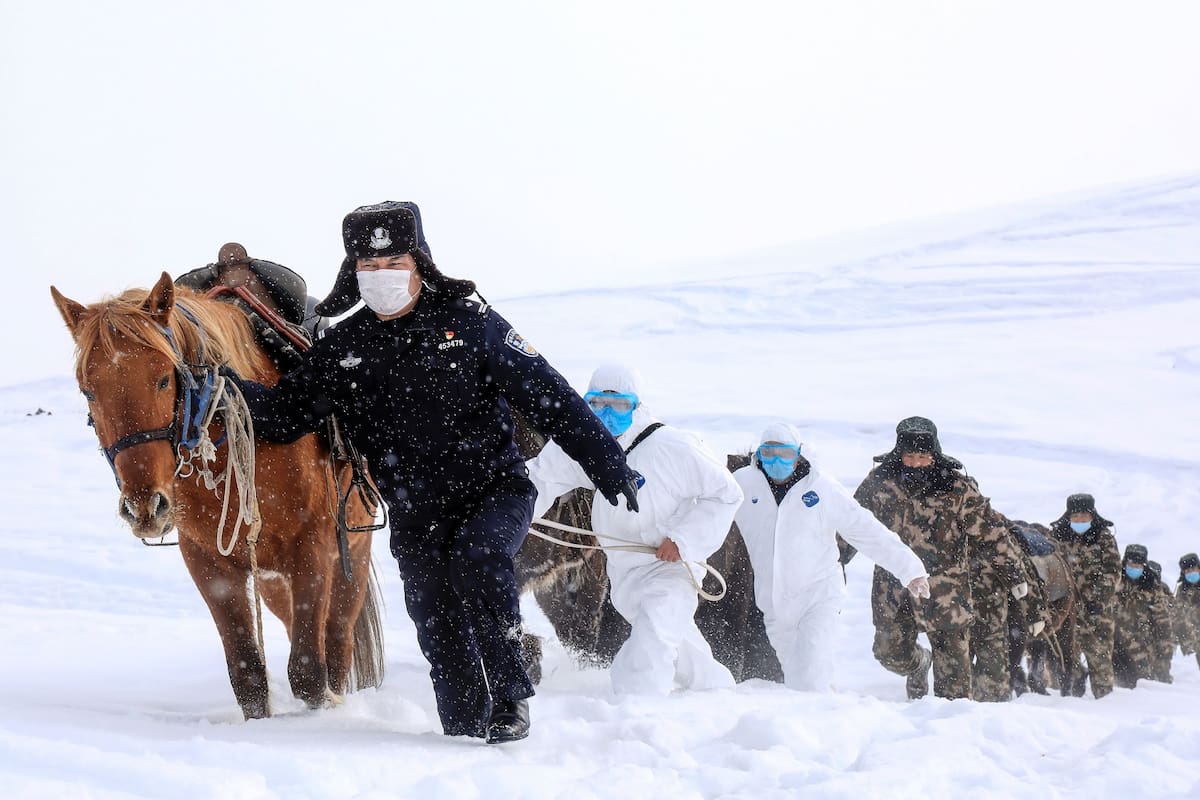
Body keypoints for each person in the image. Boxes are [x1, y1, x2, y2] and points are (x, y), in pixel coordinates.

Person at [228, 202, 640, 742]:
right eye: (368, 267)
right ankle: (464, 727)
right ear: (353, 273)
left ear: (420, 262)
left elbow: (551, 398)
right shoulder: (344, 348)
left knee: (477, 560)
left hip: (494, 490)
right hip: (415, 508)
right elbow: (285, 414)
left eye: (393, 261)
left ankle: (511, 699)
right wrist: (222, 386)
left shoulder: (471, 323)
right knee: (433, 611)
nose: (381, 277)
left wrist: (610, 466)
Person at [527, 364, 742, 696]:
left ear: (637, 406)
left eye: (619, 405)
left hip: (670, 568)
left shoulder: (672, 447)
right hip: (624, 573)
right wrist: (511, 518)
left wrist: (683, 541)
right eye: (597, 404)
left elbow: (727, 493)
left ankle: (636, 715)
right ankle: (718, 696)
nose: (606, 413)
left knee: (649, 649)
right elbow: (540, 478)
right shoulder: (583, 445)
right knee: (681, 648)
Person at [731, 422, 929, 691]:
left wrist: (910, 569)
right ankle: (830, 719)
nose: (776, 461)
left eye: (785, 454)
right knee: (800, 680)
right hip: (774, 606)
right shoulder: (743, 485)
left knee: (808, 679)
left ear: (799, 454)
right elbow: (707, 517)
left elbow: (865, 530)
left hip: (819, 597)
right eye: (769, 454)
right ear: (759, 456)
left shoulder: (821, 488)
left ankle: (819, 719)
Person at [854, 416, 1026, 700]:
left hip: (946, 594)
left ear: (934, 454)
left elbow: (991, 533)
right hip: (894, 588)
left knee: (954, 689)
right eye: (909, 456)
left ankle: (953, 735)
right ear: (899, 453)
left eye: (923, 456)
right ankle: (920, 663)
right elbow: (852, 525)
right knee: (889, 654)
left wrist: (1014, 574)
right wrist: (834, 560)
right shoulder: (879, 483)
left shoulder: (956, 488)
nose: (916, 462)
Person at [1048, 493, 1121, 698]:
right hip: (1065, 609)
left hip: (1096, 610)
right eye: (1075, 516)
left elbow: (1112, 572)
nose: (1079, 520)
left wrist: (1098, 599)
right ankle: (1069, 698)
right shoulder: (1057, 537)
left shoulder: (1103, 538)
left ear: (1092, 515)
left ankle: (1105, 700)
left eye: (1084, 516)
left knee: (1099, 657)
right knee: (1064, 657)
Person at [967, 517, 1040, 702]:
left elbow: (1023, 574)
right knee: (956, 688)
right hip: (954, 621)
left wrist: (1035, 612)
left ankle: (994, 720)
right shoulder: (942, 526)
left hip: (992, 620)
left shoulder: (994, 529)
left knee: (993, 686)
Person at [1112, 545, 1173, 688]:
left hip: (1142, 649)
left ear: (1144, 565)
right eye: (1130, 564)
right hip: (1114, 646)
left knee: (1142, 686)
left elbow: (1163, 624)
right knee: (1116, 690)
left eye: (1138, 565)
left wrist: (1164, 657)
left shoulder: (1152, 587)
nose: (1134, 567)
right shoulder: (1114, 581)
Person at [1172, 553, 1200, 672]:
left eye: (1193, 569)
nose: (1190, 572)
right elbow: (1178, 615)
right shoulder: (1181, 590)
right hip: (1194, 644)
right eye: (1187, 570)